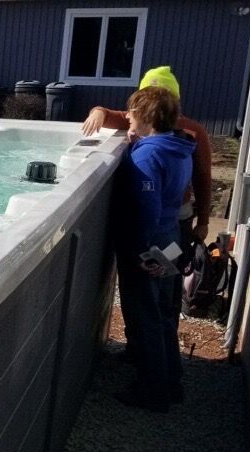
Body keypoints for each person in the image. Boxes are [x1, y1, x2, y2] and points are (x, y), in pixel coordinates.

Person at [113, 86, 194, 413]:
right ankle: (171, 382)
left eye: (132, 111)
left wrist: (142, 252)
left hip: (152, 239)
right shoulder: (181, 147)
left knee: (145, 314)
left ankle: (152, 392)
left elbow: (147, 207)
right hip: (173, 235)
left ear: (145, 116)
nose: (128, 116)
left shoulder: (148, 154)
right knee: (162, 313)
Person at [82, 66, 213, 246]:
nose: (128, 117)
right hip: (168, 221)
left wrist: (204, 222)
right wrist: (98, 112)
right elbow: (109, 114)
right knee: (169, 261)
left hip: (174, 215)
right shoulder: (143, 123)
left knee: (166, 261)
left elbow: (203, 177)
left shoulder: (192, 132)